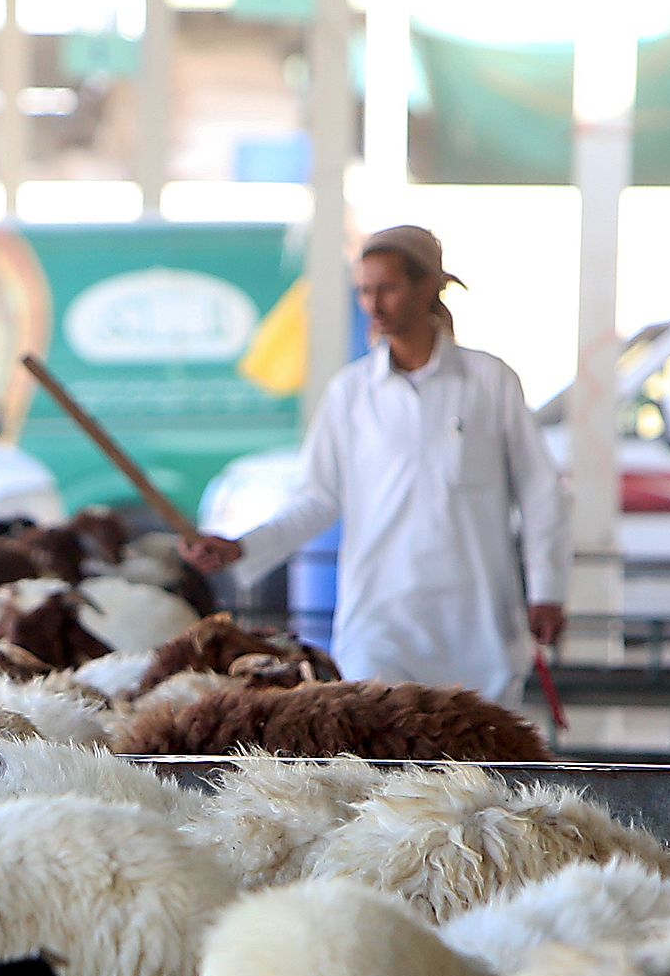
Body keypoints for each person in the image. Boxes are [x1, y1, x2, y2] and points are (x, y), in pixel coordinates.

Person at [184, 226, 567, 708]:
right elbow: (319, 499)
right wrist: (243, 547)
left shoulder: (489, 382)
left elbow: (540, 491)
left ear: (428, 287)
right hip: (379, 623)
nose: (374, 303)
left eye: (388, 287)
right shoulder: (351, 393)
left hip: (479, 627)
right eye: (365, 290)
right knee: (380, 761)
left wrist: (548, 590)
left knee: (480, 768)